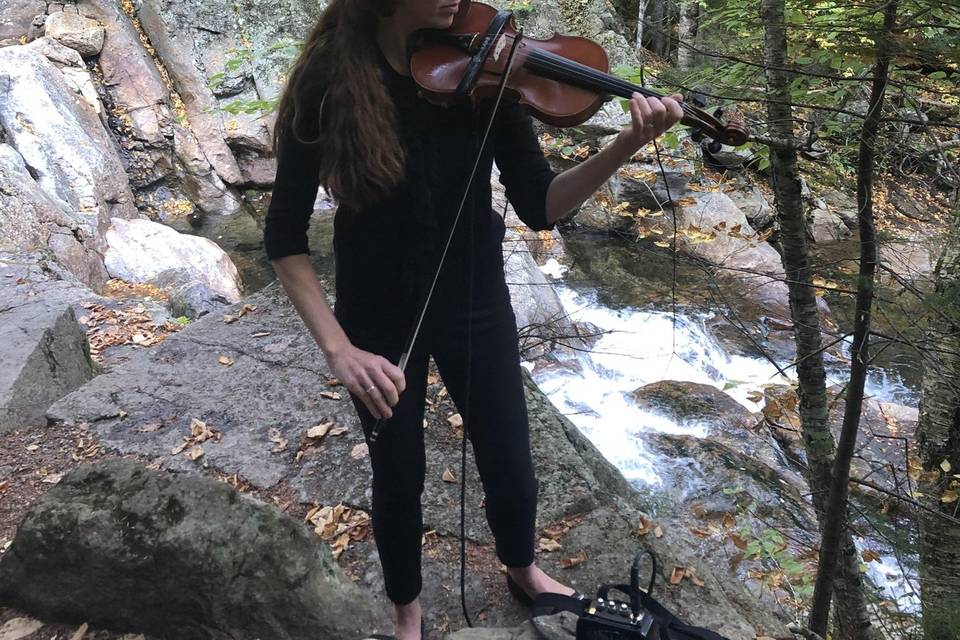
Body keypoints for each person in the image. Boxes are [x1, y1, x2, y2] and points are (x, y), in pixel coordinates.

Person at [263, 0, 683, 636]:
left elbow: (542, 204)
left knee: (511, 454)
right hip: (376, 309)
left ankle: (522, 567)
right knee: (398, 471)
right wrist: (339, 350)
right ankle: (407, 608)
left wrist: (626, 144)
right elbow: (284, 237)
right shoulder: (329, 80)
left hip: (474, 295)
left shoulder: (487, 72)